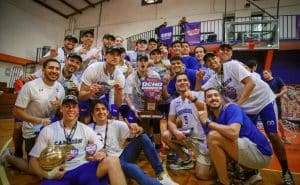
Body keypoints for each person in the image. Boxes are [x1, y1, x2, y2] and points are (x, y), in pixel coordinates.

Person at [200, 53, 295, 185]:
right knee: (241, 137)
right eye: (208, 61)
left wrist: (236, 105)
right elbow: (201, 93)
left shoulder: (232, 66)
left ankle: (286, 171)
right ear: (207, 66)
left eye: (213, 58)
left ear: (218, 58)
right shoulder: (214, 80)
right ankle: (251, 172)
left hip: (263, 101)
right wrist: (198, 79)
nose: (211, 61)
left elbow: (250, 84)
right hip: (246, 107)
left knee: (273, 135)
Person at [28, 95, 127, 185]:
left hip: (82, 170)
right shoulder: (48, 130)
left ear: (78, 110)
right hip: (59, 174)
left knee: (113, 160)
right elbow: (33, 161)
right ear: (61, 109)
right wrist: (48, 175)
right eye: (67, 106)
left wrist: (101, 154)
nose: (71, 109)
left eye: (74, 106)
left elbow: (101, 150)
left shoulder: (86, 129)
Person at [89, 100, 178, 185]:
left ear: (107, 112)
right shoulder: (87, 129)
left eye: (103, 109)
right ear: (92, 114)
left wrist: (138, 129)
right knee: (134, 169)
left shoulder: (116, 123)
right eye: (97, 110)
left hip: (121, 156)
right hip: (105, 163)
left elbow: (138, 131)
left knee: (143, 137)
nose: (101, 112)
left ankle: (161, 174)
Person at [199, 88, 273, 185]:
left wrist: (208, 123)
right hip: (247, 151)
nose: (213, 98)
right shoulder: (208, 118)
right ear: (205, 102)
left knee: (213, 136)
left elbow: (233, 133)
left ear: (221, 99)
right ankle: (248, 172)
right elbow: (212, 147)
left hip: (261, 154)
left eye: (216, 95)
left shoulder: (231, 108)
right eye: (209, 96)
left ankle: (224, 182)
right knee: (205, 171)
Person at [3, 59, 65, 174]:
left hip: (50, 131)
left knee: (50, 164)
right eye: (51, 67)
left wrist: (60, 106)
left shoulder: (60, 88)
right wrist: (40, 120)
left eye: (57, 69)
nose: (54, 71)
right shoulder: (30, 86)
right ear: (43, 70)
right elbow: (17, 112)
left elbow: (62, 112)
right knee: (34, 169)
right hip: (32, 130)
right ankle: (8, 157)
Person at [161, 73, 214, 180]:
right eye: (179, 81)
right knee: (166, 135)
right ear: (175, 85)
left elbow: (204, 110)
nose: (182, 82)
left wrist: (193, 99)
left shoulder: (198, 94)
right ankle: (186, 160)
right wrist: (176, 132)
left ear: (189, 83)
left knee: (202, 175)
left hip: (202, 140)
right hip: (187, 136)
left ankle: (219, 162)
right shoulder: (174, 102)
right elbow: (170, 121)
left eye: (185, 80)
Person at [79, 46, 124, 123]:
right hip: (87, 96)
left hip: (100, 97)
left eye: (118, 55)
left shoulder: (119, 76)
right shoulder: (93, 68)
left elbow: (118, 104)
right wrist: (90, 92)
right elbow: (81, 96)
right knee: (86, 119)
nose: (115, 57)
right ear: (105, 56)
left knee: (109, 117)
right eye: (112, 54)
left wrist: (119, 92)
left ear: (120, 58)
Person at [263, 69, 290, 144]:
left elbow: (285, 89)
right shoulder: (264, 83)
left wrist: (278, 95)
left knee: (279, 121)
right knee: (269, 122)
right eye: (263, 74)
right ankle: (271, 138)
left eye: (266, 73)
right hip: (267, 104)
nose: (264, 75)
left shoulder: (277, 79)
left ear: (270, 73)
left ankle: (283, 137)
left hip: (276, 103)